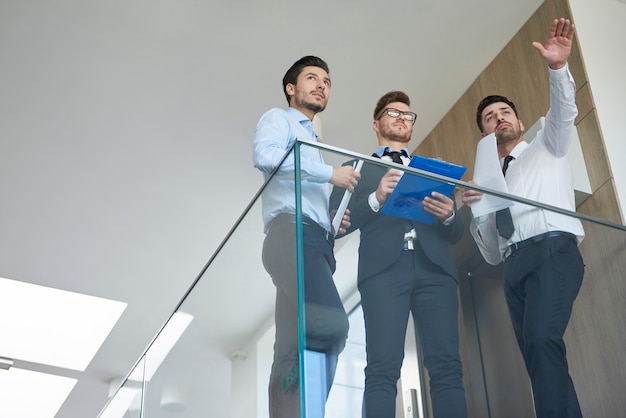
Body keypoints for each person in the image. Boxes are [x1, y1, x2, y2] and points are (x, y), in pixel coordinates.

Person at [461, 18, 585, 418]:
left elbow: (564, 109)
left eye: (505, 112)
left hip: (552, 249)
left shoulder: (548, 143)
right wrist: (478, 211)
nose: (499, 118)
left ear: (516, 120)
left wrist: (557, 67)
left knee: (541, 337)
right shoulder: (490, 178)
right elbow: (494, 255)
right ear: (484, 134)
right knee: (538, 354)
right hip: (513, 267)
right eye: (489, 118)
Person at [330, 91, 468, 418]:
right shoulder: (355, 168)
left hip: (435, 270)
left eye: (408, 115)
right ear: (377, 124)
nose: (403, 118)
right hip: (383, 273)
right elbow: (337, 225)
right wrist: (376, 199)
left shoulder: (433, 170)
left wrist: (449, 214)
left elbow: (455, 233)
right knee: (382, 367)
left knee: (447, 365)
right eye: (394, 112)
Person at [252, 55, 361, 418]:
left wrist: (329, 219)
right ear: (291, 88)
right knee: (332, 325)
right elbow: (265, 156)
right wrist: (329, 174)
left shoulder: (312, 139)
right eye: (312, 78)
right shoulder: (279, 119)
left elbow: (301, 188)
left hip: (311, 238)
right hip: (291, 237)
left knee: (288, 347)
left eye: (327, 81)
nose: (321, 85)